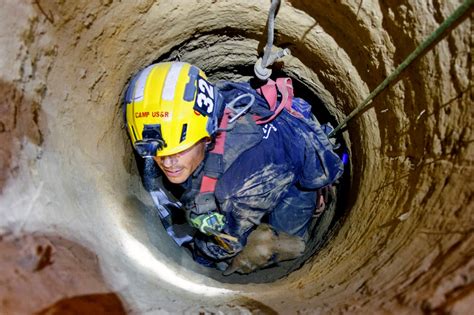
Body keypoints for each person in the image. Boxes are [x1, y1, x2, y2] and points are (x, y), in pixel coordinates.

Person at [124, 61, 344, 274]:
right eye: (159, 153)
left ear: (207, 134)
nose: (168, 162)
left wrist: (199, 253)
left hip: (293, 162)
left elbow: (225, 245)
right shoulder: (203, 104)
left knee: (276, 245)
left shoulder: (236, 192)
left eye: (179, 150)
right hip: (269, 145)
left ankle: (311, 195)